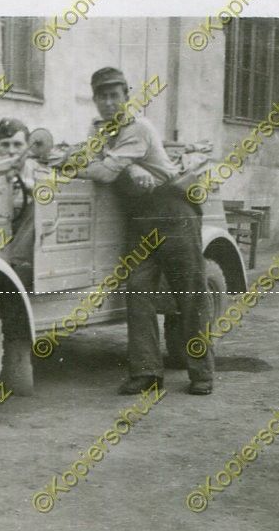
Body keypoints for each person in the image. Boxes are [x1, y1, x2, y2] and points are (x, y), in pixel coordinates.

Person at [77, 67, 214, 395]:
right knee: (138, 293)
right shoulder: (100, 130)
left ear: (127, 96)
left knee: (190, 295)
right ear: (95, 100)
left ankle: (202, 374)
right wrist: (128, 166)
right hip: (140, 219)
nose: (109, 103)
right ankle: (147, 372)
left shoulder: (138, 128)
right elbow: (92, 158)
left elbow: (104, 172)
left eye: (115, 95)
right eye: (102, 97)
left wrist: (93, 164)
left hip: (173, 213)